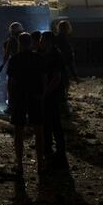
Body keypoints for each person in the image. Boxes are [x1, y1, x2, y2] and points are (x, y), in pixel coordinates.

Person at [6, 32, 45, 174]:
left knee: (19, 131)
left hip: (19, 97)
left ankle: (20, 164)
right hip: (35, 96)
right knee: (38, 130)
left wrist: (10, 100)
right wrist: (43, 94)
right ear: (31, 43)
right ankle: (40, 164)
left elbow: (11, 82)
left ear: (19, 44)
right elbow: (44, 77)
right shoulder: (38, 58)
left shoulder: (15, 60)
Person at [39, 31, 67, 167]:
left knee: (54, 122)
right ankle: (49, 148)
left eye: (42, 39)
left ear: (48, 41)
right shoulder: (49, 54)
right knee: (48, 122)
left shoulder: (55, 55)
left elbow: (57, 77)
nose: (40, 42)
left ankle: (59, 151)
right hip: (50, 93)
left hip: (53, 94)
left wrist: (46, 92)